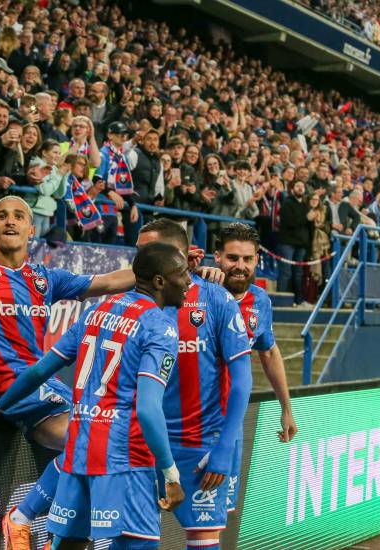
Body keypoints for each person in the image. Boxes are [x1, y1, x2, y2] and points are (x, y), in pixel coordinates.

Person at [0, 196, 147, 550]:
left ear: (31, 230)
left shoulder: (43, 278)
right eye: (2, 216)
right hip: (15, 392)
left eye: (19, 216)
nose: (10, 221)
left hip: (52, 388)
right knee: (92, 439)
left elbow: (110, 282)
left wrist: (169, 271)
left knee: (95, 478)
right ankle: (19, 517)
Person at [0, 240, 189, 549]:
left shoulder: (98, 310)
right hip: (125, 460)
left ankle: (22, 517)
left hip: (79, 453)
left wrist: (1, 405)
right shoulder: (159, 327)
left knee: (70, 545)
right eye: (182, 273)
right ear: (160, 281)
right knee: (136, 545)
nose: (189, 281)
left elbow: (38, 371)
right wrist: (170, 473)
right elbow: (149, 410)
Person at [136, 219, 252, 550]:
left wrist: (224, 448)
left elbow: (243, 379)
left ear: (178, 255)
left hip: (198, 447)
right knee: (132, 539)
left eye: (147, 250)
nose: (138, 259)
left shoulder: (217, 300)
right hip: (138, 444)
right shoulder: (132, 302)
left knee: (203, 542)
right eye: (138, 250)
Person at [214, 222, 298, 515]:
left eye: (247, 259)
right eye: (232, 258)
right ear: (217, 257)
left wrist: (286, 408)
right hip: (185, 421)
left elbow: (269, 352)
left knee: (221, 513)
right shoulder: (193, 291)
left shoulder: (260, 300)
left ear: (257, 261)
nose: (240, 266)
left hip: (230, 423)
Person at [276, 180, 311, 307]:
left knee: (298, 274)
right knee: (286, 272)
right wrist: (307, 218)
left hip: (300, 244)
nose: (300, 188)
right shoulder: (287, 203)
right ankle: (280, 301)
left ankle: (298, 300)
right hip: (287, 242)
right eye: (298, 186)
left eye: (302, 186)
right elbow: (290, 222)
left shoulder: (306, 206)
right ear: (292, 189)